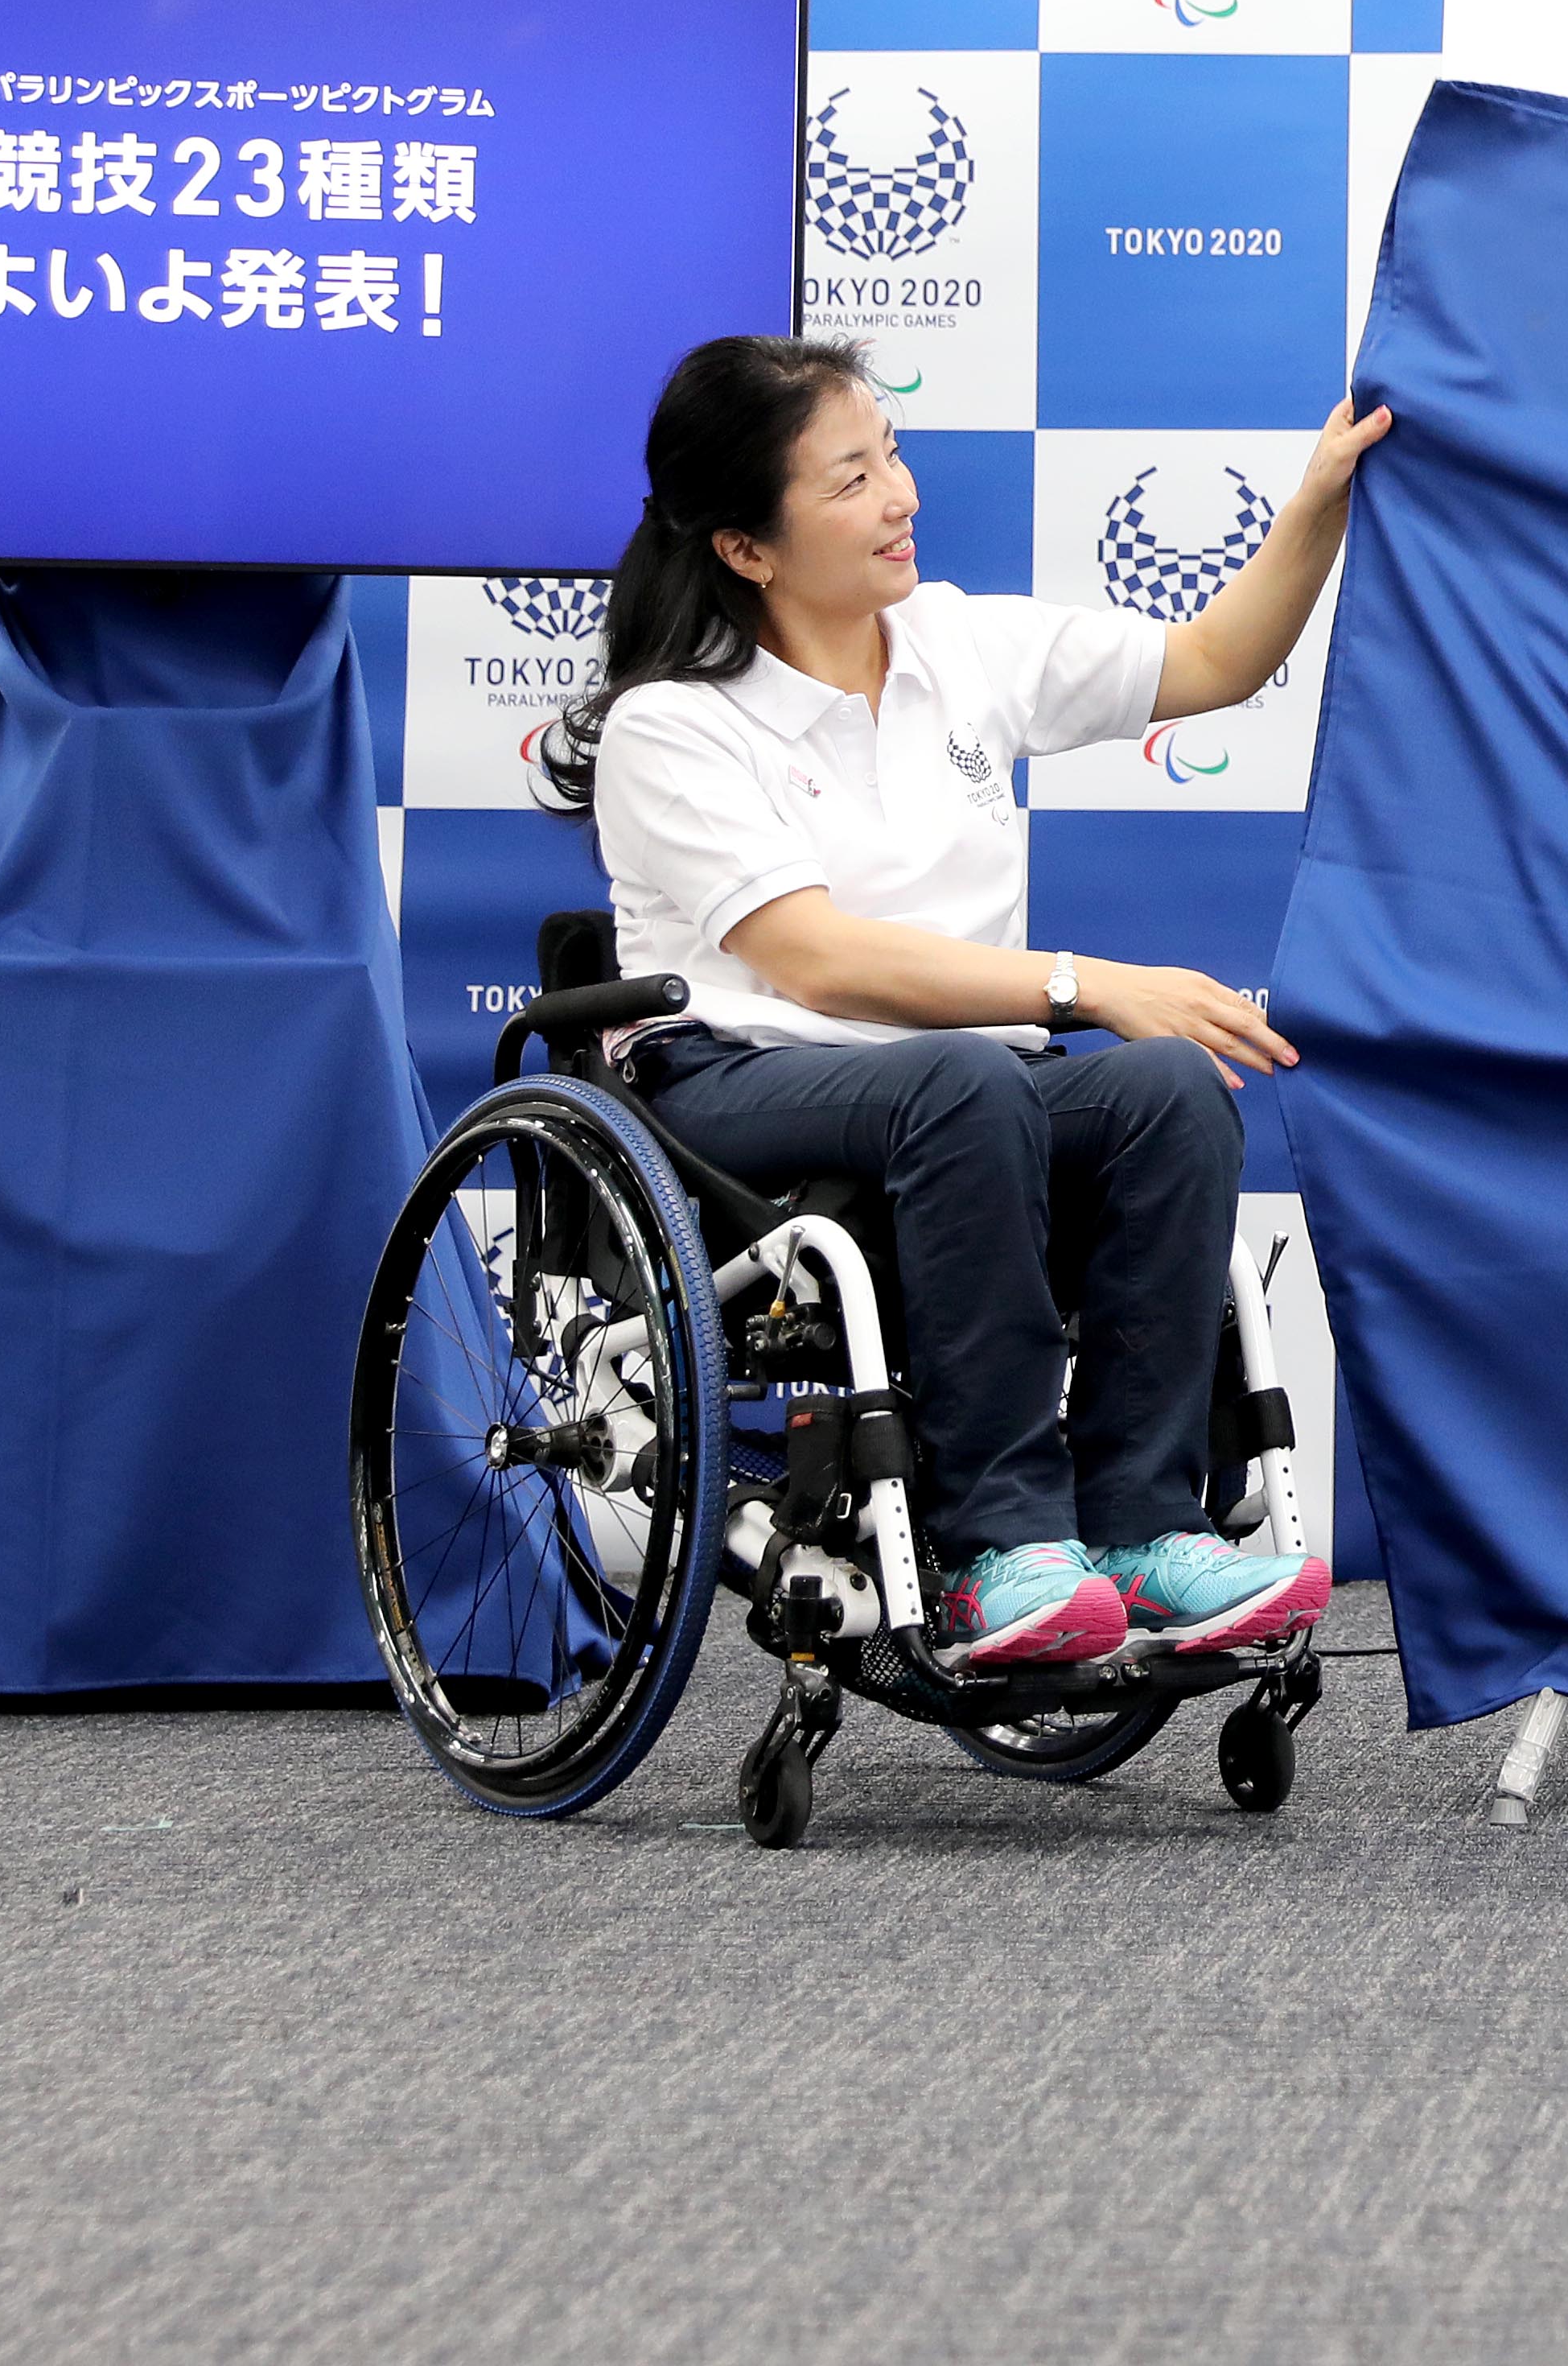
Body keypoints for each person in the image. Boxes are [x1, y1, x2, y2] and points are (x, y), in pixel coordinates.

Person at [544, 333, 1387, 1676]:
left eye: (893, 456)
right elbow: (816, 961)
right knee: (970, 1075)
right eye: (852, 478)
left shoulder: (957, 645)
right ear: (747, 547)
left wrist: (1323, 499)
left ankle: (1138, 1532)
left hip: (960, 1091)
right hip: (737, 1090)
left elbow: (1218, 662)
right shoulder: (673, 727)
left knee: (1167, 1090)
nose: (902, 497)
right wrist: (1084, 985)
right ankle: (1002, 1548)